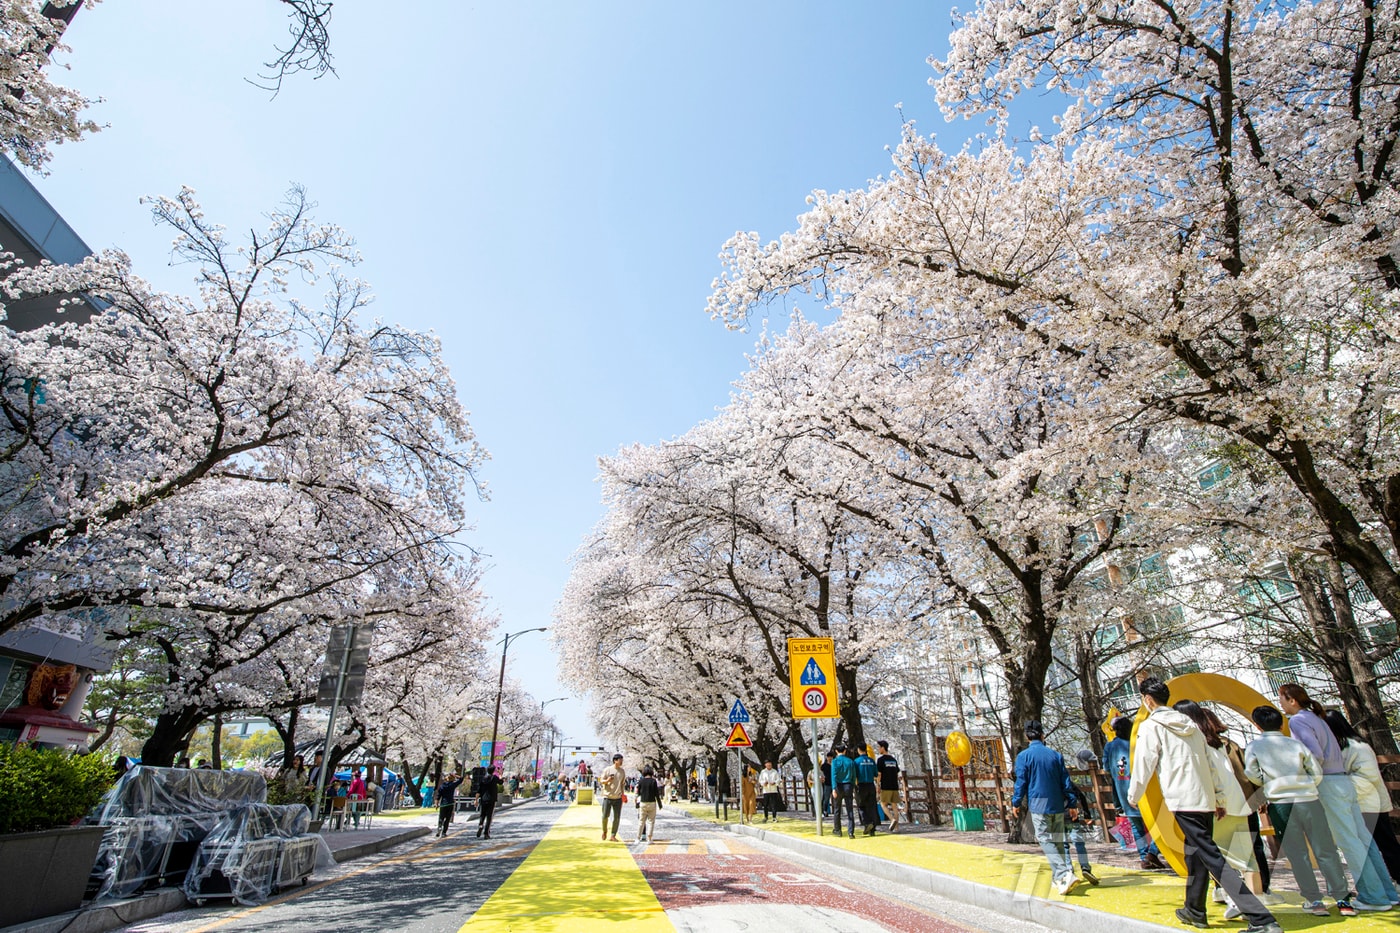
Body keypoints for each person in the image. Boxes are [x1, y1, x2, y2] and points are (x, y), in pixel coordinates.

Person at [1129, 677, 1279, 933]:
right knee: (1196, 854)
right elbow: (1210, 764)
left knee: (1211, 856)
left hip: (1182, 799)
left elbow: (1143, 764)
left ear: (1148, 700)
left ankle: (1261, 919)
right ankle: (1194, 910)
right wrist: (1218, 797)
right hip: (1205, 798)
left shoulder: (1151, 726)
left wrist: (1134, 796)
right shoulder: (1190, 724)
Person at [1279, 683, 1396, 910]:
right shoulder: (1317, 718)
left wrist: (1307, 779)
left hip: (1328, 784)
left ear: (1292, 700)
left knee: (1349, 842)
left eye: (1281, 699)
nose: (1280, 704)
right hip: (1343, 781)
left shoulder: (1298, 721)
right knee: (1364, 840)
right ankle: (1387, 893)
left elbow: (1314, 755)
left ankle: (1373, 897)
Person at [1243, 704, 1351, 916]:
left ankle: (1314, 901)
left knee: (1297, 853)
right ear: (1281, 723)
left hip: (1281, 803)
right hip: (1309, 799)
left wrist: (1269, 783)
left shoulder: (1254, 746)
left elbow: (1252, 774)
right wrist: (1307, 785)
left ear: (1257, 725)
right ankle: (1343, 899)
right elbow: (1315, 770)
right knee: (1326, 850)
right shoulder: (1295, 744)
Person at [1175, 700, 1256, 919]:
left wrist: (1218, 801)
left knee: (1214, 856)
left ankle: (1239, 902)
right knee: (1241, 858)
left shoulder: (1196, 742)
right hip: (1236, 801)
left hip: (1217, 805)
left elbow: (1210, 775)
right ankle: (1247, 901)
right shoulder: (1217, 741)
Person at [1323, 710, 1400, 888]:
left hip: (1370, 803)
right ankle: (1382, 884)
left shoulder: (1358, 748)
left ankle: (1396, 879)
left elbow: (1368, 776)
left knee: (1385, 844)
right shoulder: (1341, 747)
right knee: (1370, 846)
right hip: (1358, 803)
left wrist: (1338, 783)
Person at [1010, 720, 1081, 896]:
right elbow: (1066, 781)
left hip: (1038, 801)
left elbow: (1021, 782)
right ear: (1042, 735)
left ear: (1027, 736)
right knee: (1058, 840)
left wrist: (1016, 802)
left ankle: (1063, 873)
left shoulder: (1024, 757)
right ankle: (1060, 878)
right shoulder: (1055, 755)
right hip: (1056, 801)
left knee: (1044, 838)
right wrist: (1072, 803)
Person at [1102, 716, 1167, 870]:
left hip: (1122, 790)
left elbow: (1106, 767)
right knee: (1160, 823)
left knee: (1136, 826)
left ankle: (1144, 857)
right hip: (1143, 789)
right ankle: (1153, 852)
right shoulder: (1136, 742)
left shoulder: (1110, 746)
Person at [1063, 778, 1099, 885]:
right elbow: (1081, 797)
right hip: (1072, 817)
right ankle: (1085, 867)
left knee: (1063, 845)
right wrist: (1087, 814)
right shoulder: (1067, 783)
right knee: (1079, 843)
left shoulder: (1048, 784)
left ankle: (1069, 870)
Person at [830, 744, 856, 838]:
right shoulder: (850, 761)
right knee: (850, 809)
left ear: (836, 751)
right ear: (845, 751)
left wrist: (833, 788)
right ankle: (851, 832)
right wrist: (852, 785)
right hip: (848, 785)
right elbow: (853, 775)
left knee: (837, 809)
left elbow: (833, 775)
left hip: (838, 786)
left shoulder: (835, 761)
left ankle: (838, 830)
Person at [875, 741, 902, 832]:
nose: (878, 749)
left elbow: (879, 774)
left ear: (883, 748)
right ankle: (896, 828)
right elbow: (897, 772)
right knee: (894, 806)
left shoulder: (881, 760)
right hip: (894, 785)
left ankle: (892, 819)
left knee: (883, 804)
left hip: (885, 785)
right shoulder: (893, 759)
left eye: (879, 747)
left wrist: (878, 785)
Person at [600, 753, 626, 841]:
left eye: (622, 760)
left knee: (617, 818)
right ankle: (604, 831)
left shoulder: (622, 771)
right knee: (605, 816)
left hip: (618, 798)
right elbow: (601, 781)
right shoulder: (607, 770)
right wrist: (608, 780)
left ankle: (613, 835)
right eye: (620, 760)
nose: (621, 762)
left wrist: (623, 795)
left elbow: (622, 784)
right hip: (608, 797)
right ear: (615, 760)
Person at [854, 744, 879, 835]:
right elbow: (876, 774)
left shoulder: (856, 761)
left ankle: (867, 822)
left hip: (861, 785)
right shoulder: (871, 761)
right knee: (871, 806)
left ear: (858, 750)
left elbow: (855, 774)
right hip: (871, 785)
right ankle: (873, 828)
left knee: (861, 806)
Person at [636, 765, 663, 841]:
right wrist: (660, 804)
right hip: (652, 803)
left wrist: (637, 803)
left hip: (643, 802)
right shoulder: (653, 781)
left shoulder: (641, 781)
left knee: (641, 821)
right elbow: (656, 794)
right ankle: (649, 838)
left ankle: (638, 837)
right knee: (651, 821)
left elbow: (639, 793)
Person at [433, 772, 464, 837]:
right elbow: (461, 779)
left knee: (441, 817)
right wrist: (455, 775)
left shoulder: (442, 786)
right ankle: (444, 832)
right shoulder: (452, 785)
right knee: (447, 819)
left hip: (443, 804)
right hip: (450, 803)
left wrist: (436, 804)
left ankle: (439, 828)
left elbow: (438, 796)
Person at [476, 766, 503, 838]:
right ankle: (486, 833)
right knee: (489, 817)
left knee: (482, 815)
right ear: (493, 771)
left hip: (483, 799)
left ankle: (480, 825)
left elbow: (479, 790)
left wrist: (476, 800)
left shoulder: (483, 778)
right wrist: (500, 774)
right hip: (491, 799)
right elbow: (501, 782)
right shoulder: (494, 778)